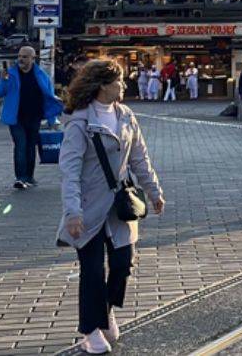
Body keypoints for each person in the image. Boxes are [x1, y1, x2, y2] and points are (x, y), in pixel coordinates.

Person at [56, 60, 164, 355]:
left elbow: (140, 157)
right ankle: (90, 330)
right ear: (103, 85)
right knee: (91, 271)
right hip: (88, 207)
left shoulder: (126, 115)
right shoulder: (79, 122)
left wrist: (154, 192)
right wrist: (72, 212)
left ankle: (105, 311)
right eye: (118, 81)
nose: (123, 85)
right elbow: (70, 171)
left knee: (121, 265)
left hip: (119, 205)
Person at [0, 46, 64, 189]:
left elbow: (49, 97)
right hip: (16, 118)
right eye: (20, 56)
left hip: (35, 117)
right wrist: (3, 80)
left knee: (30, 147)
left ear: (33, 59)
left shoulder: (41, 75)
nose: (21, 59)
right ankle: (20, 178)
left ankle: (29, 177)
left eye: (25, 56)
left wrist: (52, 120)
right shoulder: (10, 74)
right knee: (20, 146)